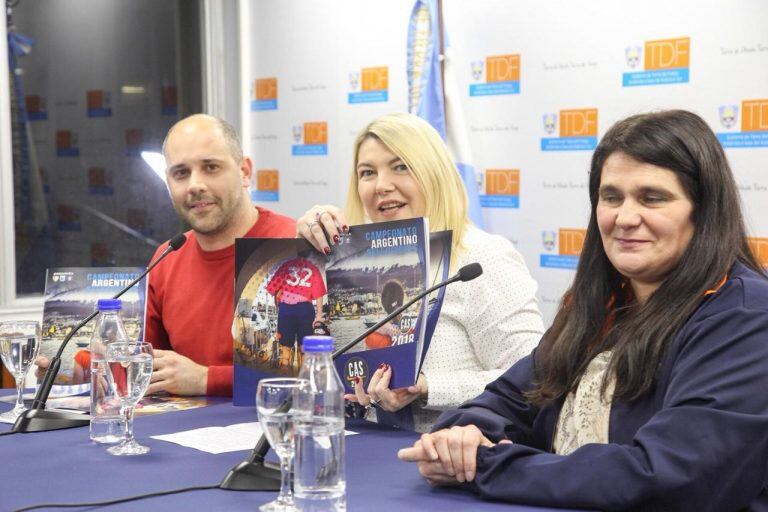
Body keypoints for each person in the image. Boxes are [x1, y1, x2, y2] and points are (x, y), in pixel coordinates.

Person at [398, 110, 768, 510]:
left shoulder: (747, 316)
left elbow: (669, 476)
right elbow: (504, 399)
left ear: (704, 209)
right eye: (611, 197)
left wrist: (487, 465)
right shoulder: (601, 303)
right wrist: (462, 436)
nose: (625, 218)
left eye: (652, 198)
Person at [297, 112, 544, 432]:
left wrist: (429, 387)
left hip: (452, 458)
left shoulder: (482, 259)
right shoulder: (350, 264)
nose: (382, 186)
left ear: (434, 174)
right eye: (367, 172)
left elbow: (533, 381)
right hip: (358, 449)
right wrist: (308, 253)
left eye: (401, 167)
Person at [143, 114, 296, 396]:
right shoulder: (166, 257)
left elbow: (313, 370)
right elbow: (148, 366)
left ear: (245, 172)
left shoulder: (293, 245)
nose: (194, 185)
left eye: (211, 167)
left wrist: (206, 379)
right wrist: (79, 368)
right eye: (181, 173)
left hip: (274, 431)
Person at [265, 255, 327, 369]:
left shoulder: (286, 266)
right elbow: (319, 294)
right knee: (304, 348)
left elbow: (272, 289)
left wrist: (280, 302)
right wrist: (318, 316)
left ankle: (284, 376)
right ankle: (305, 379)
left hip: (286, 309)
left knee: (285, 349)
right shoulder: (312, 268)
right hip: (305, 309)